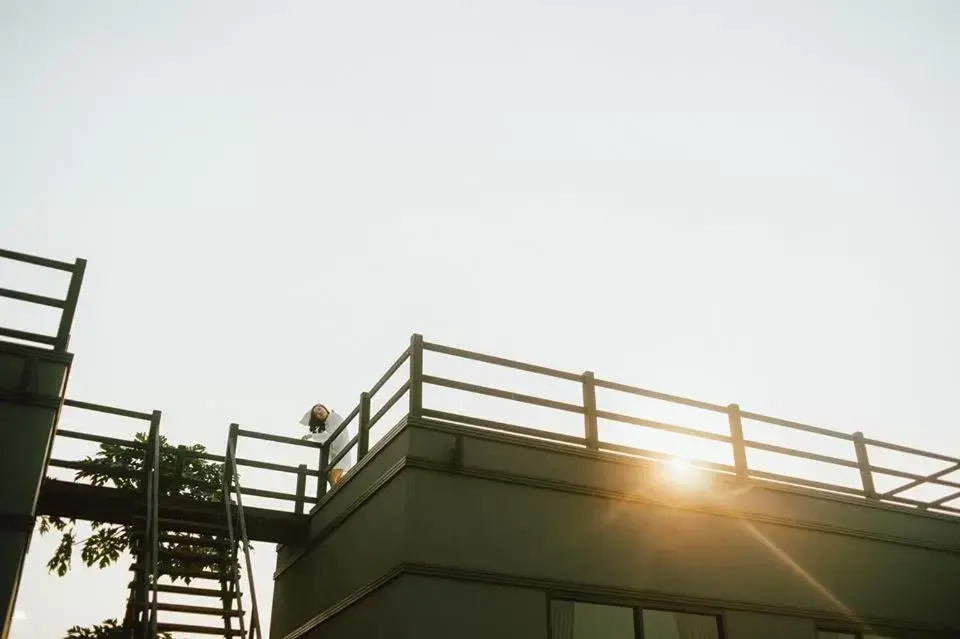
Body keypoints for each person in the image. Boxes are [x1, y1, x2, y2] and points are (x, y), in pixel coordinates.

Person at [300, 403, 350, 487]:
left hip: (342, 453)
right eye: (316, 414)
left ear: (324, 408)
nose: (318, 413)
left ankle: (338, 497)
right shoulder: (328, 422)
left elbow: (329, 435)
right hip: (338, 453)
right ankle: (343, 494)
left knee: (331, 477)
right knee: (336, 479)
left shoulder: (334, 417)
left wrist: (311, 436)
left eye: (319, 409)